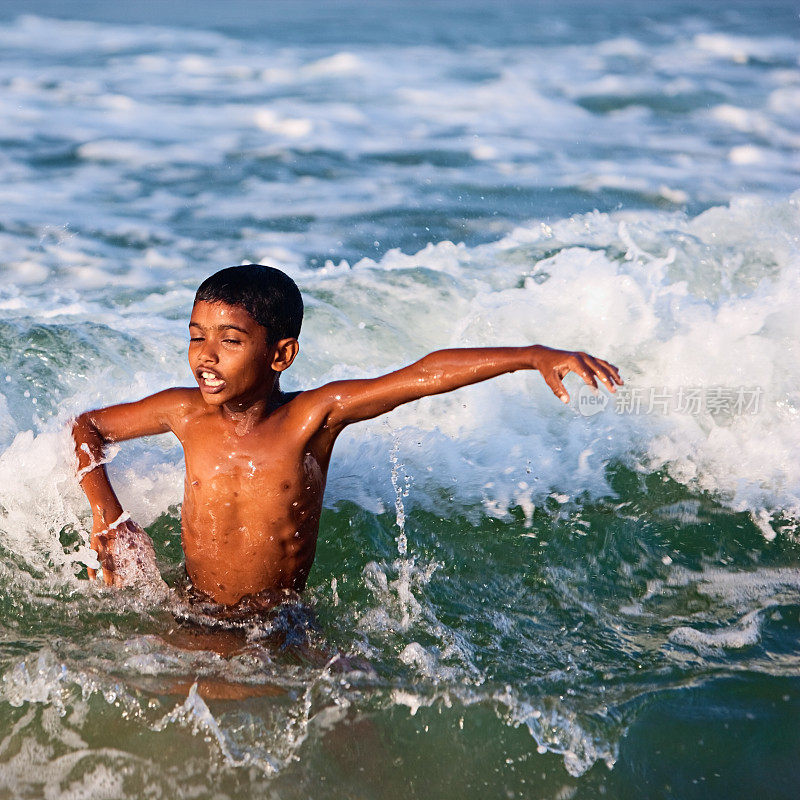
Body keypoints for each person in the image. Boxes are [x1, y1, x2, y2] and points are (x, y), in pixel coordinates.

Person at [72, 264, 622, 612]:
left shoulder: (311, 419)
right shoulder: (184, 413)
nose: (204, 356)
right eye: (196, 337)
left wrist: (531, 357)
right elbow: (87, 428)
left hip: (278, 632)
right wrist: (110, 518)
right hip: (191, 614)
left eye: (230, 341)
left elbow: (420, 375)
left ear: (281, 354)